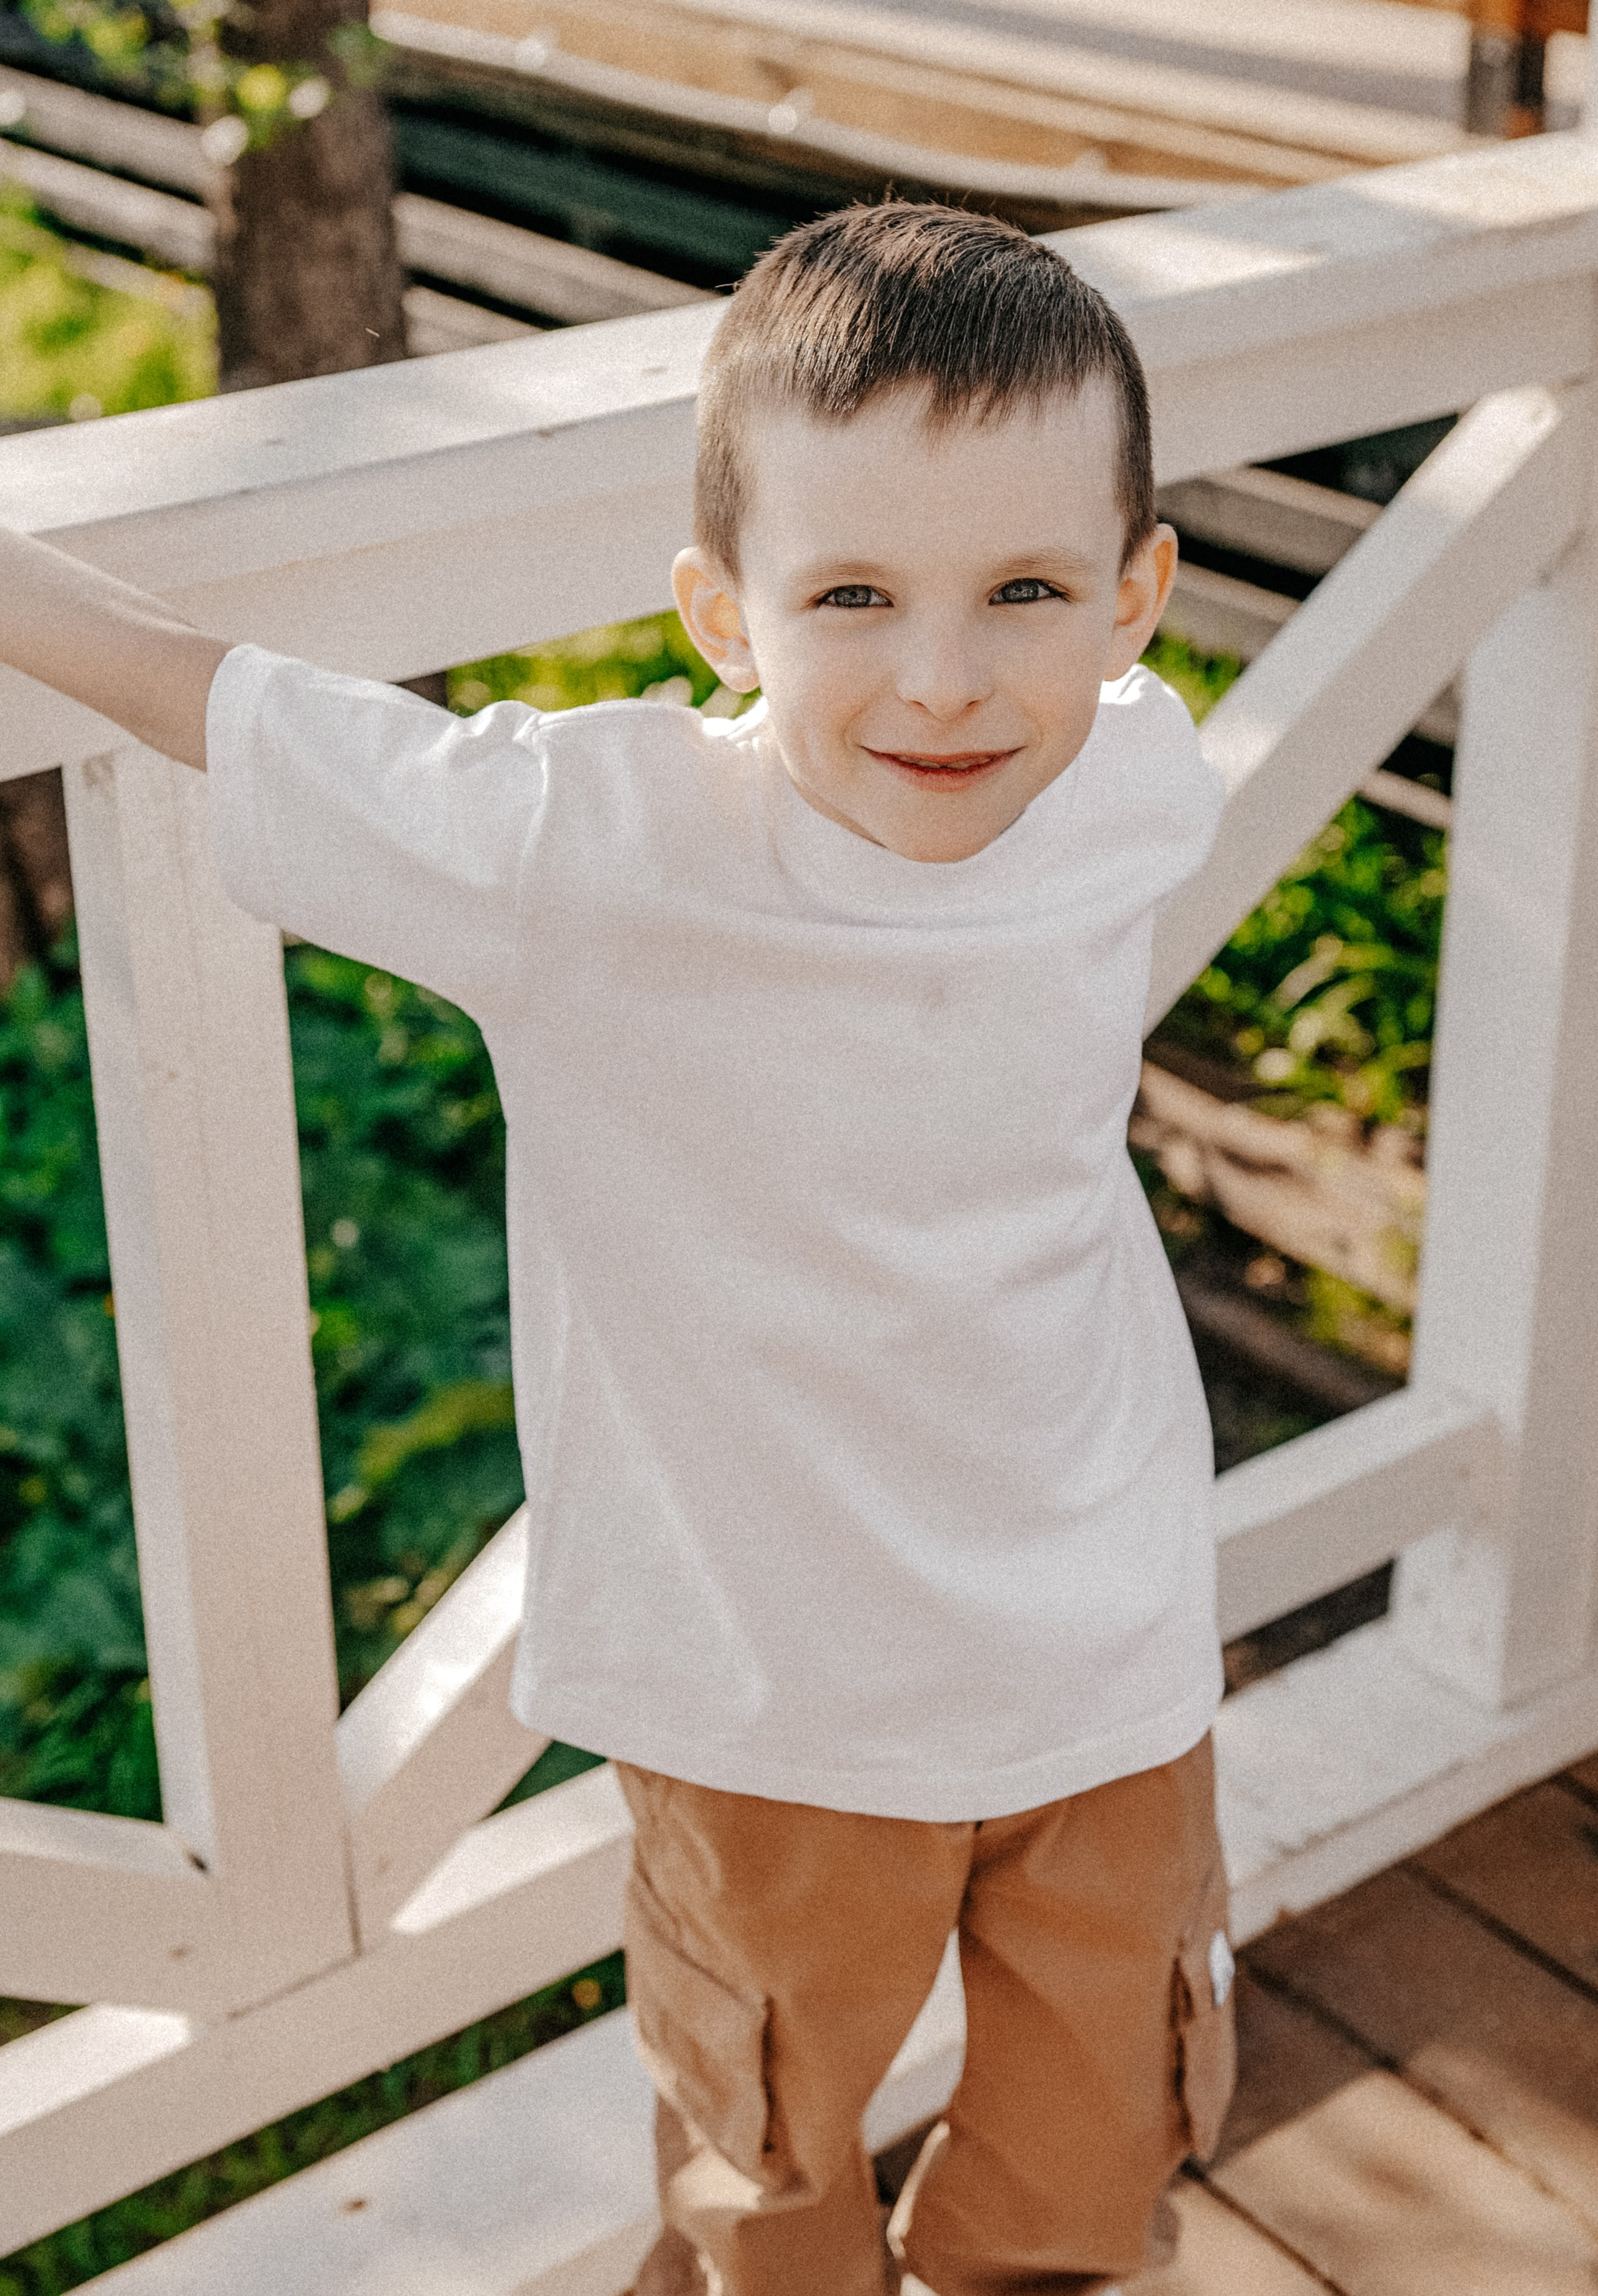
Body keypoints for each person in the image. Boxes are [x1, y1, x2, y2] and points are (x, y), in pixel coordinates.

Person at [0, 202, 1236, 2296]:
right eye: (852, 593)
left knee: (1098, 2142)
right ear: (720, 615)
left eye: (1024, 589)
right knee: (769, 2160)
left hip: (1111, 1650)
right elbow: (233, 702)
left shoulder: (1142, 778)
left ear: (1137, 601)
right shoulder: (587, 848)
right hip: (772, 1701)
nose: (943, 678)